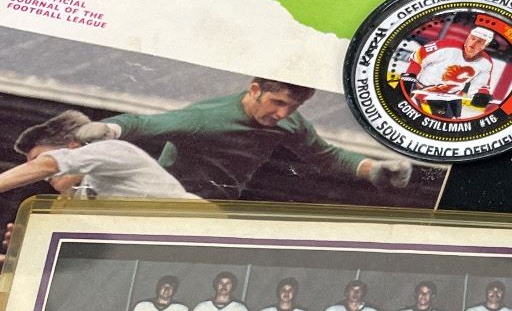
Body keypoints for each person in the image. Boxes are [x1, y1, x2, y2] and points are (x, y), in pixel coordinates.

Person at [63, 78, 413, 200]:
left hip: (215, 206)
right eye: (277, 103)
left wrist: (372, 169)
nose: (283, 114)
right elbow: (145, 123)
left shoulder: (290, 123)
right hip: (170, 200)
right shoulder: (207, 119)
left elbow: (327, 156)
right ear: (255, 89)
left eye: (293, 107)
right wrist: (109, 129)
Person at [0, 109, 199, 202]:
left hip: (201, 227)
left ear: (73, 146)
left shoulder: (110, 149)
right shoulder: (79, 196)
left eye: (38, 158)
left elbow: (49, 165)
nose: (42, 175)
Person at [402, 24, 502, 120]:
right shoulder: (446, 46)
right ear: (468, 37)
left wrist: (481, 94)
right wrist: (409, 76)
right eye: (472, 38)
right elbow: (418, 57)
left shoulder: (486, 62)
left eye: (479, 41)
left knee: (453, 126)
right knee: (436, 124)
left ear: (485, 45)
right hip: (425, 92)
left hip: (453, 97)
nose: (473, 44)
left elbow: (480, 85)